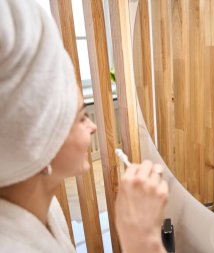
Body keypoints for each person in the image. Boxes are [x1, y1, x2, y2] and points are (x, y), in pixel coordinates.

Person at [0, 0, 167, 252]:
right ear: (38, 143)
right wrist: (142, 238)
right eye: (80, 118)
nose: (93, 127)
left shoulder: (46, 209)